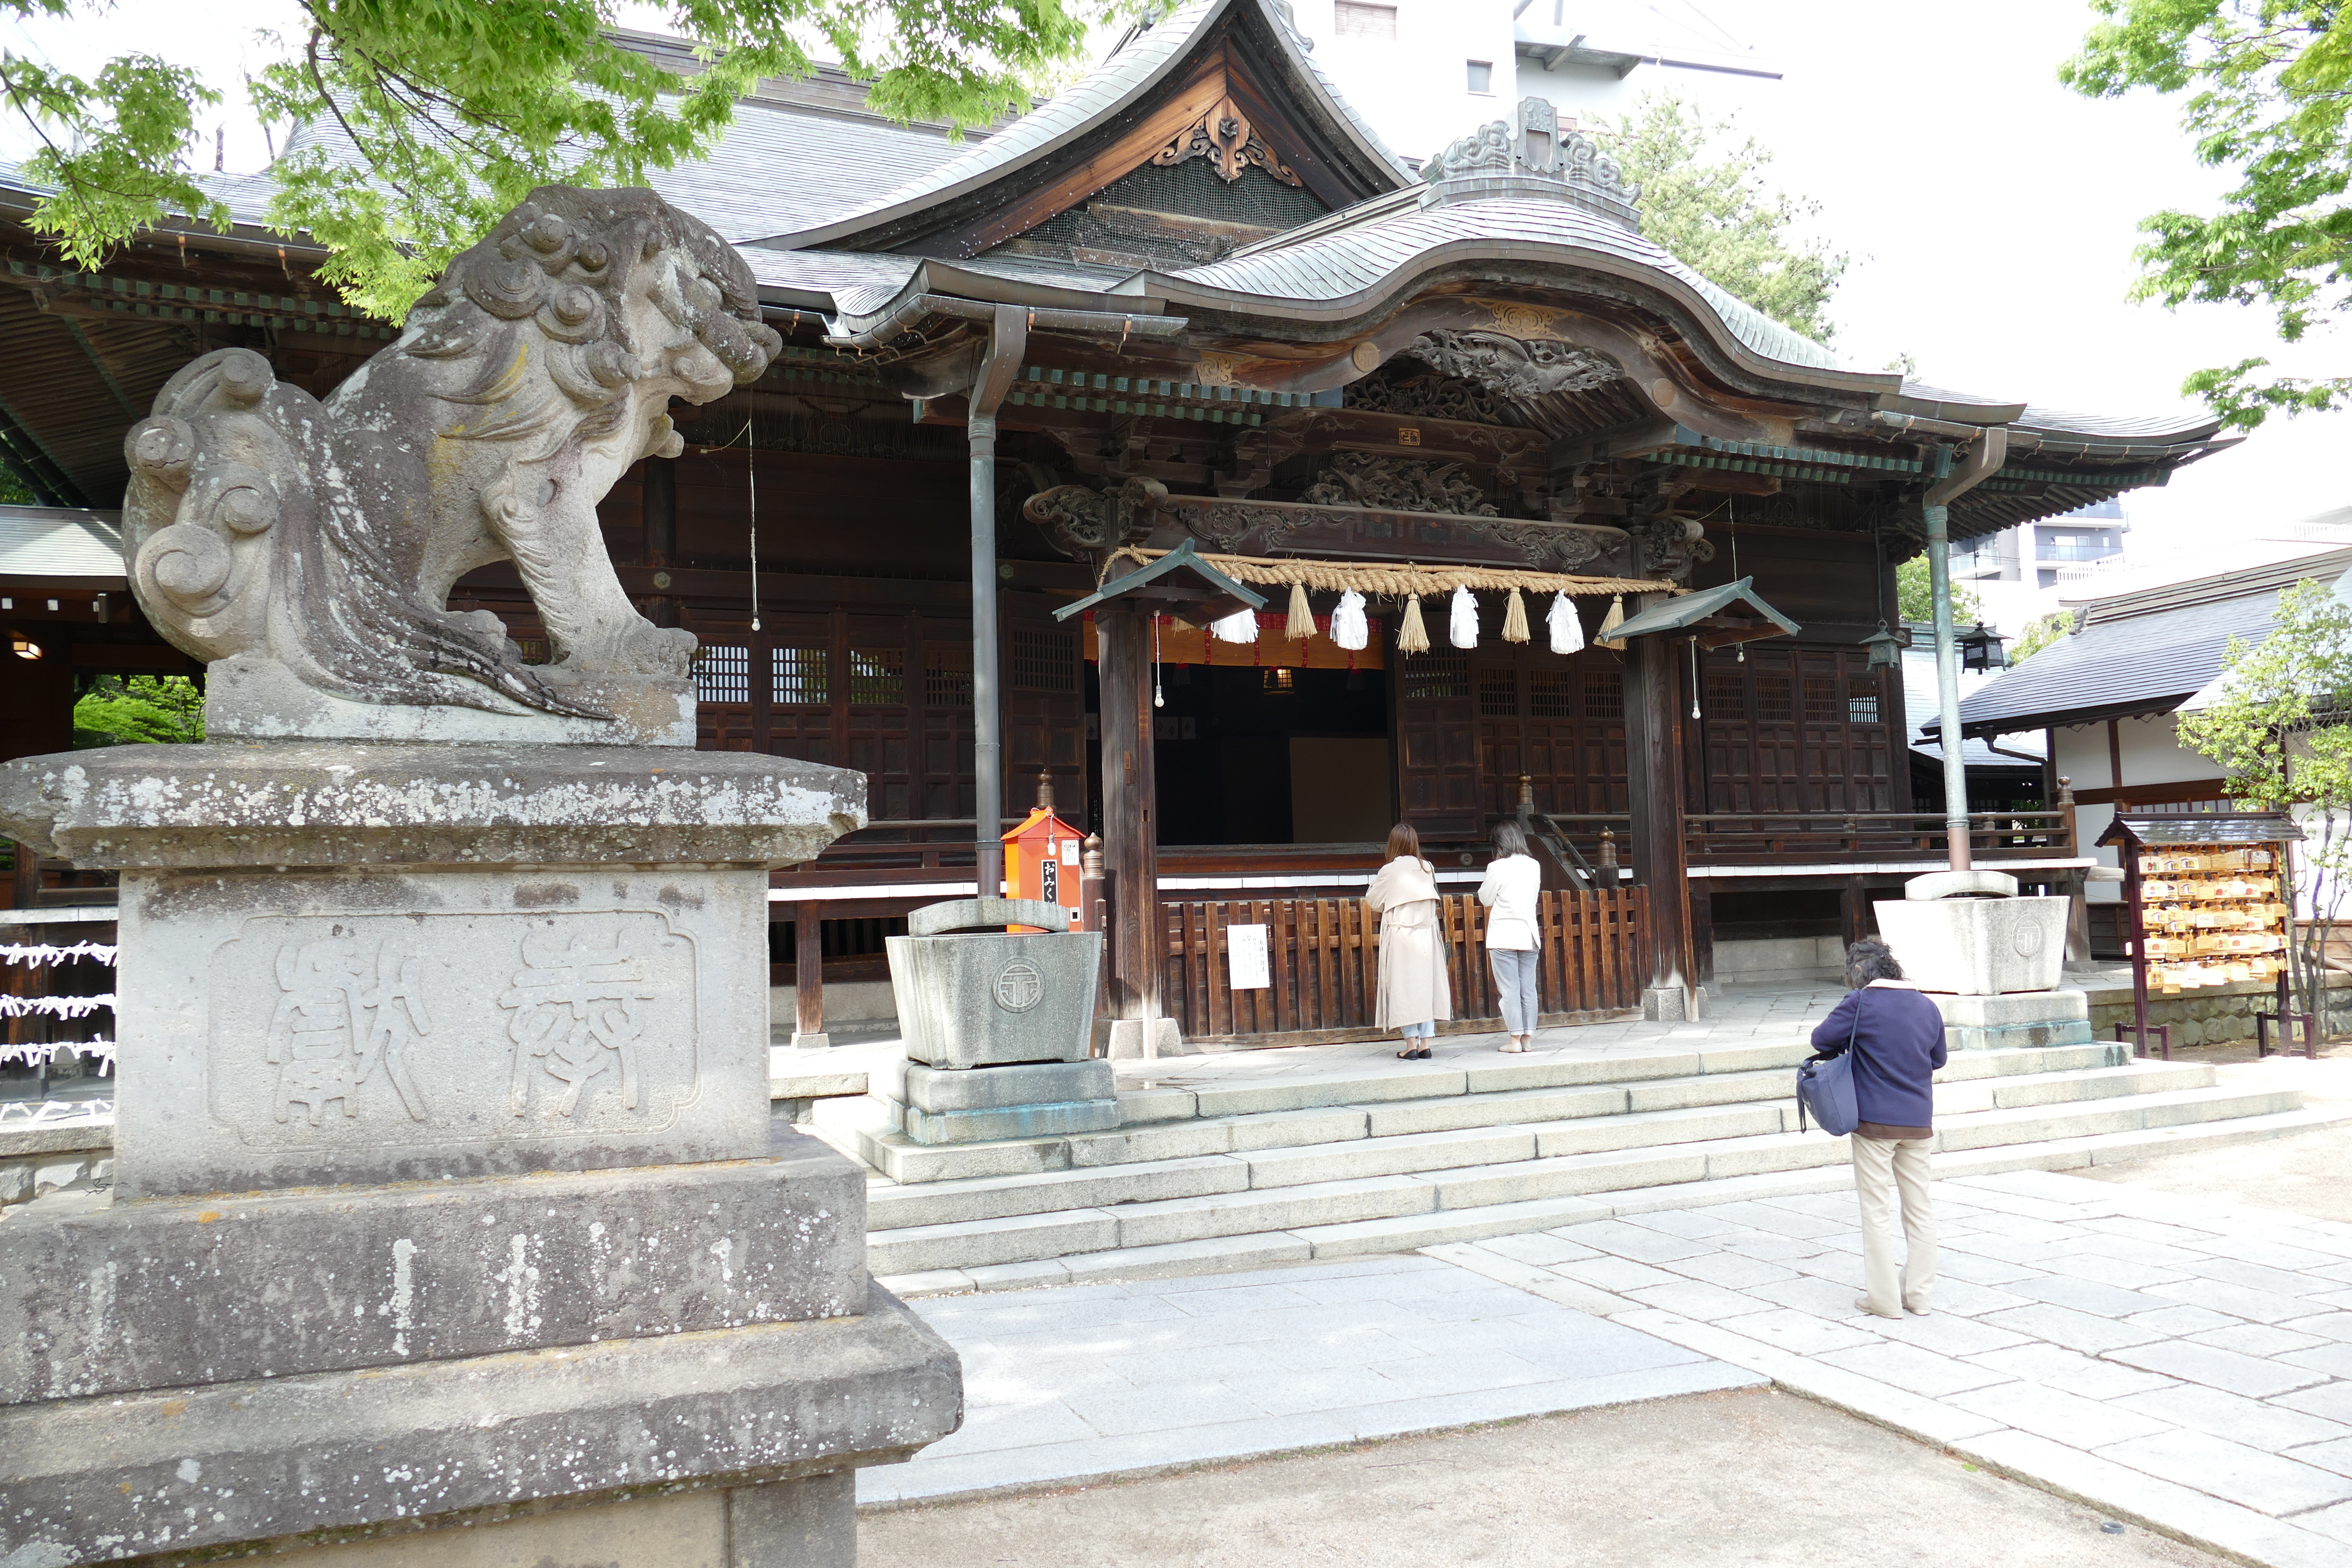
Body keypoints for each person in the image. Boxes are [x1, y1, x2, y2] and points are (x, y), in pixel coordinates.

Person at [1808, 938, 1948, 1318]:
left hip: (1873, 1125)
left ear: (1858, 972)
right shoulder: (1927, 1005)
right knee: (1920, 1209)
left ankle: (1884, 1301)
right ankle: (1918, 1296)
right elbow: (1938, 1060)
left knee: (1876, 1211)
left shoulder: (1861, 1003)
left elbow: (1820, 1040)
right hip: (1918, 1124)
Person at [1366, 821, 1450, 1060]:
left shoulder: (1390, 870)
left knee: (1404, 987)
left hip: (1401, 935)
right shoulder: (1428, 868)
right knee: (1427, 985)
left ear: (1392, 844)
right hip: (1427, 935)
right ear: (1414, 843)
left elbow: (1373, 900)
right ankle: (1426, 1043)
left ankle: (1410, 1044)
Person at [1478, 821, 1543, 1053]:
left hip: (1504, 935)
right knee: (1528, 989)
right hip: (1529, 935)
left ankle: (1514, 1039)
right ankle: (1527, 1039)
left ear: (1498, 845)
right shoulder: (1534, 865)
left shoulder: (1497, 867)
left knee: (1510, 990)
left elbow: (1486, 898)